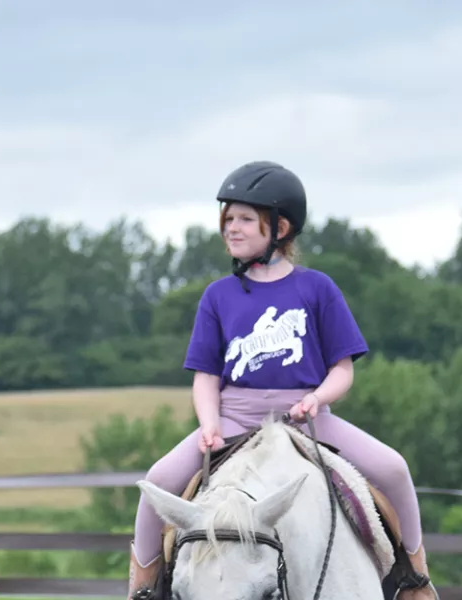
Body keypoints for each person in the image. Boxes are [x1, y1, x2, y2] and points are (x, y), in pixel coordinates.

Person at [126, 161, 436, 600]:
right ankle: (142, 584)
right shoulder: (218, 295)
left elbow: (343, 369)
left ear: (280, 227)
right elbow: (206, 376)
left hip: (305, 417)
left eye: (244, 220)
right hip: (235, 417)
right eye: (228, 219)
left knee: (395, 469)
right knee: (158, 478)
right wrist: (209, 422)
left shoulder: (317, 288)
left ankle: (414, 578)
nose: (231, 228)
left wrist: (317, 398)